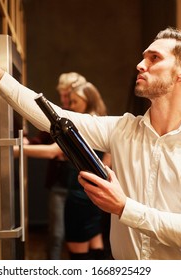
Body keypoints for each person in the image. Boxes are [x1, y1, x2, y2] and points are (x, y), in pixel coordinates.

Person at [0, 27, 181, 260]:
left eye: (154, 58)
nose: (140, 65)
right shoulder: (122, 129)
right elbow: (54, 117)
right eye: (143, 57)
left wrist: (123, 207)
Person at [18, 82, 111, 260]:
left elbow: (53, 151)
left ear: (87, 100)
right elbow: (108, 160)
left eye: (75, 102)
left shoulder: (85, 125)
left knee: (77, 249)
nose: (71, 106)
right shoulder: (102, 120)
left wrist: (16, 150)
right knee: (94, 240)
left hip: (79, 193)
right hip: (96, 191)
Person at [26, 72, 87, 260]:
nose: (64, 99)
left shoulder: (87, 115)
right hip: (60, 184)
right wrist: (29, 142)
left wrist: (19, 150)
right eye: (61, 95)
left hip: (82, 185)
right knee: (56, 234)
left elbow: (55, 150)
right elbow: (44, 136)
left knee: (82, 234)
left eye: (67, 95)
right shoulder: (58, 113)